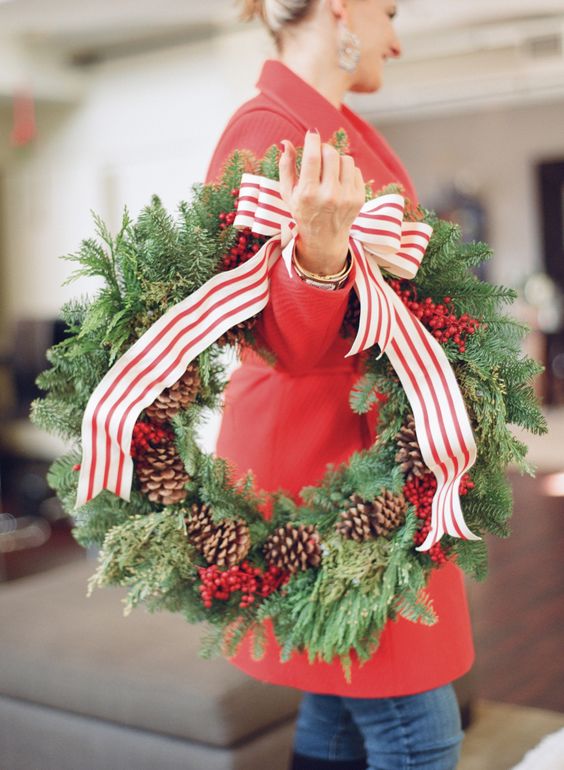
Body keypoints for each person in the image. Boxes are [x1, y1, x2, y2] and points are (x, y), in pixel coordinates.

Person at [205, 2, 472, 768]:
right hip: (324, 474)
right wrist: (318, 264)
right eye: (388, 10)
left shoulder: (335, 123)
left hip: (365, 454)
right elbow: (271, 342)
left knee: (342, 703)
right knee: (418, 734)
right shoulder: (265, 128)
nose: (397, 33)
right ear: (339, 7)